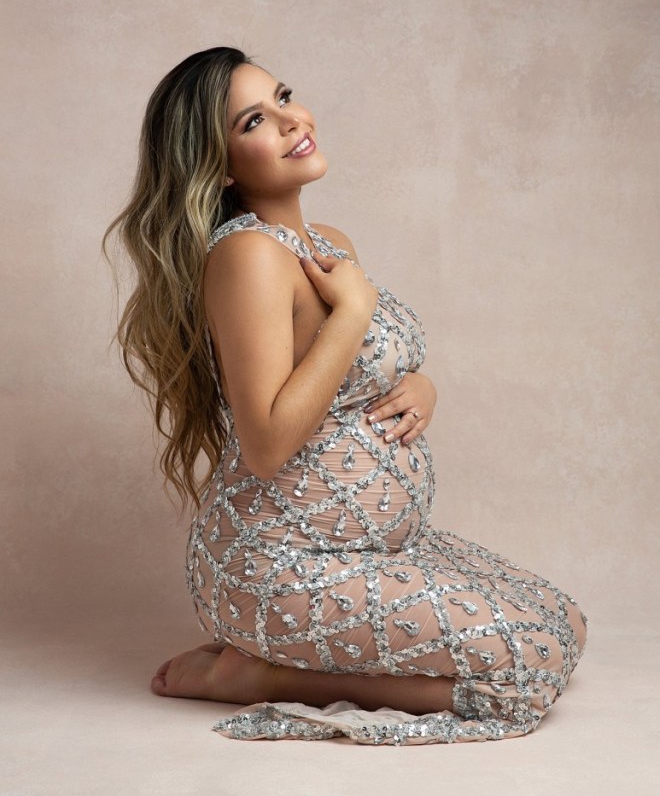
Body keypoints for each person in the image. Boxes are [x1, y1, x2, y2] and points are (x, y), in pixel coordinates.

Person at [104, 46, 587, 745]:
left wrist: (421, 386)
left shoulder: (326, 240)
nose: (291, 119)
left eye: (283, 96)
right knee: (529, 665)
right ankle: (256, 677)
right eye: (253, 121)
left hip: (374, 554)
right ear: (217, 163)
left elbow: (352, 372)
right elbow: (268, 442)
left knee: (564, 624)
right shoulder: (246, 257)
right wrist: (354, 311)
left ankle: (276, 665)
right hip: (281, 567)